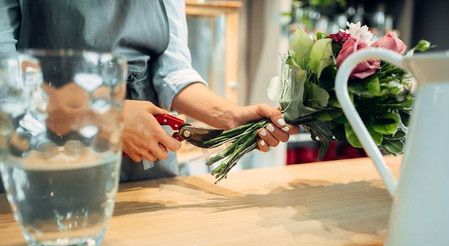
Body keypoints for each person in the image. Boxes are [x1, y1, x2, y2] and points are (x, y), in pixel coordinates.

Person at [0, 0, 299, 182]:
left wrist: (232, 117)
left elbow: (172, 71)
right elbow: (6, 79)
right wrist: (103, 117)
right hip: (51, 166)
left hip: (151, 171)